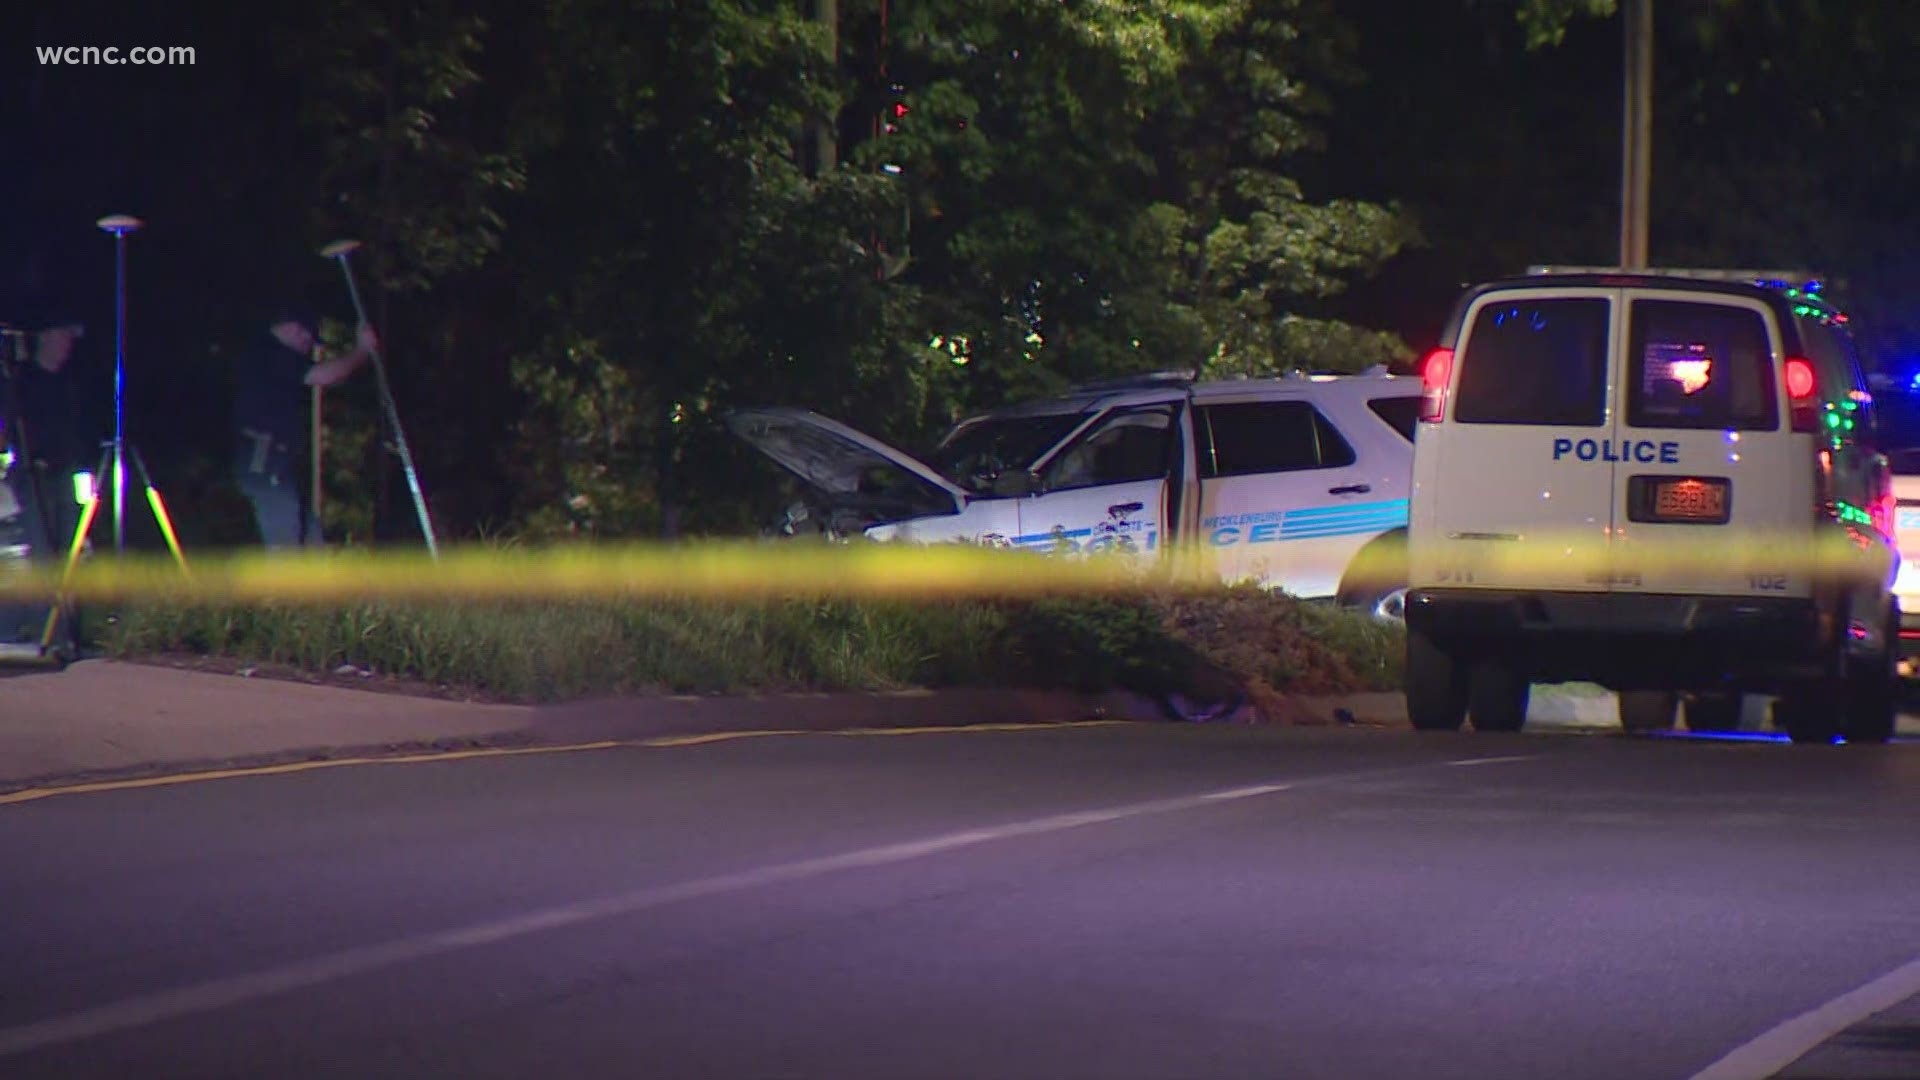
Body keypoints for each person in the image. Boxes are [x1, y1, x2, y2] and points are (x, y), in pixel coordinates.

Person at [230, 300, 377, 548]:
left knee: (309, 541)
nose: (307, 349)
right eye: (308, 341)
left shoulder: (268, 353)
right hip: (267, 466)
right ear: (297, 331)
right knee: (285, 543)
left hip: (275, 466)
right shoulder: (272, 353)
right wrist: (362, 351)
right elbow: (327, 375)